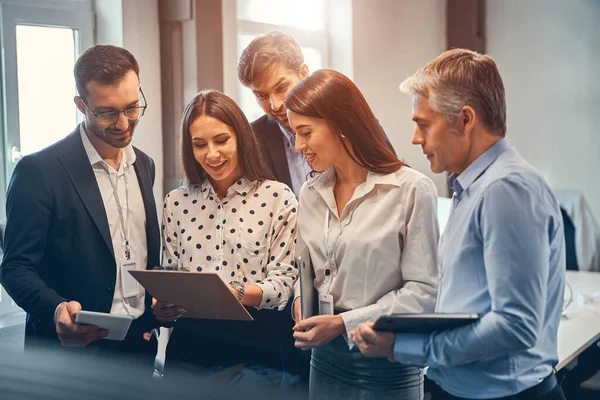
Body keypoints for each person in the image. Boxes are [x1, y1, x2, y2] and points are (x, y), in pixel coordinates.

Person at [351, 49, 567, 400]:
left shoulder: (504, 189)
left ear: (466, 120)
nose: (415, 139)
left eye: (423, 124)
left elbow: (515, 326)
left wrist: (404, 346)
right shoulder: (473, 186)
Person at [285, 69, 439, 400]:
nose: (298, 146)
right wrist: (300, 300)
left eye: (305, 132)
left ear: (340, 124)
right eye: (294, 134)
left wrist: (343, 324)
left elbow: (424, 293)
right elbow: (304, 271)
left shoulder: (411, 190)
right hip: (323, 361)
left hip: (387, 364)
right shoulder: (310, 193)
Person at [0, 45, 160, 363]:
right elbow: (16, 268)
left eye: (132, 108)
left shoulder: (145, 165)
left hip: (138, 349)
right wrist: (56, 309)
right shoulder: (39, 171)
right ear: (81, 105)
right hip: (70, 357)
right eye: (107, 112)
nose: (124, 123)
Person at [153, 90, 299, 386]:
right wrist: (161, 305)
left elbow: (284, 284)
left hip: (256, 350)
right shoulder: (176, 202)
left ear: (241, 138)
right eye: (199, 144)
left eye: (221, 140)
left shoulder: (277, 197)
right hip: (188, 350)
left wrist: (236, 292)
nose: (212, 154)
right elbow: (170, 273)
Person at [237, 31, 395, 198]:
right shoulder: (252, 141)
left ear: (303, 73)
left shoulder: (352, 123)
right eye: (262, 96)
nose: (275, 105)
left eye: (282, 88)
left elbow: (392, 181)